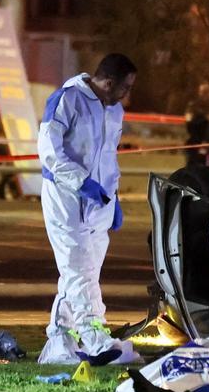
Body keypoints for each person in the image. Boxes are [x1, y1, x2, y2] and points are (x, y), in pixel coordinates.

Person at [37, 53, 140, 366]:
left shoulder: (114, 111)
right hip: (66, 202)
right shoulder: (67, 100)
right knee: (80, 273)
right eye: (125, 87)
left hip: (99, 206)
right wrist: (81, 183)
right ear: (108, 83)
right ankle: (95, 339)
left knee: (81, 274)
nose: (127, 94)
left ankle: (60, 341)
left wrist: (113, 196)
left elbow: (108, 158)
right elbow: (49, 153)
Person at [184, 82, 209, 168]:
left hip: (207, 145)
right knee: (197, 168)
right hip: (198, 144)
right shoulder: (194, 107)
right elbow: (190, 124)